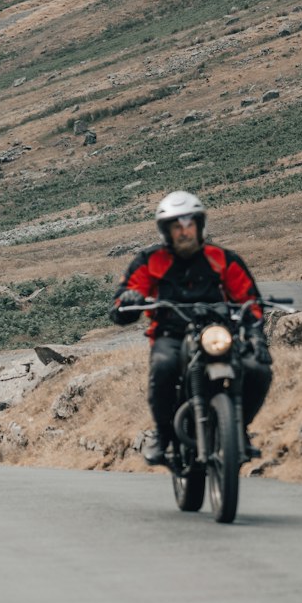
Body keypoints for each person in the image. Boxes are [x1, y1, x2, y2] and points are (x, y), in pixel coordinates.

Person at [110, 190, 272, 465]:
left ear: (199, 225)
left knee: (257, 370)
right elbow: (126, 298)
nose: (184, 232)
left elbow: (249, 299)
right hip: (171, 335)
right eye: (177, 226)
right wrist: (128, 299)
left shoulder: (222, 258)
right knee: (163, 368)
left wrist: (256, 334)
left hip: (218, 333)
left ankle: (238, 429)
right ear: (166, 231)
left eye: (189, 224)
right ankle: (163, 436)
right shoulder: (150, 260)